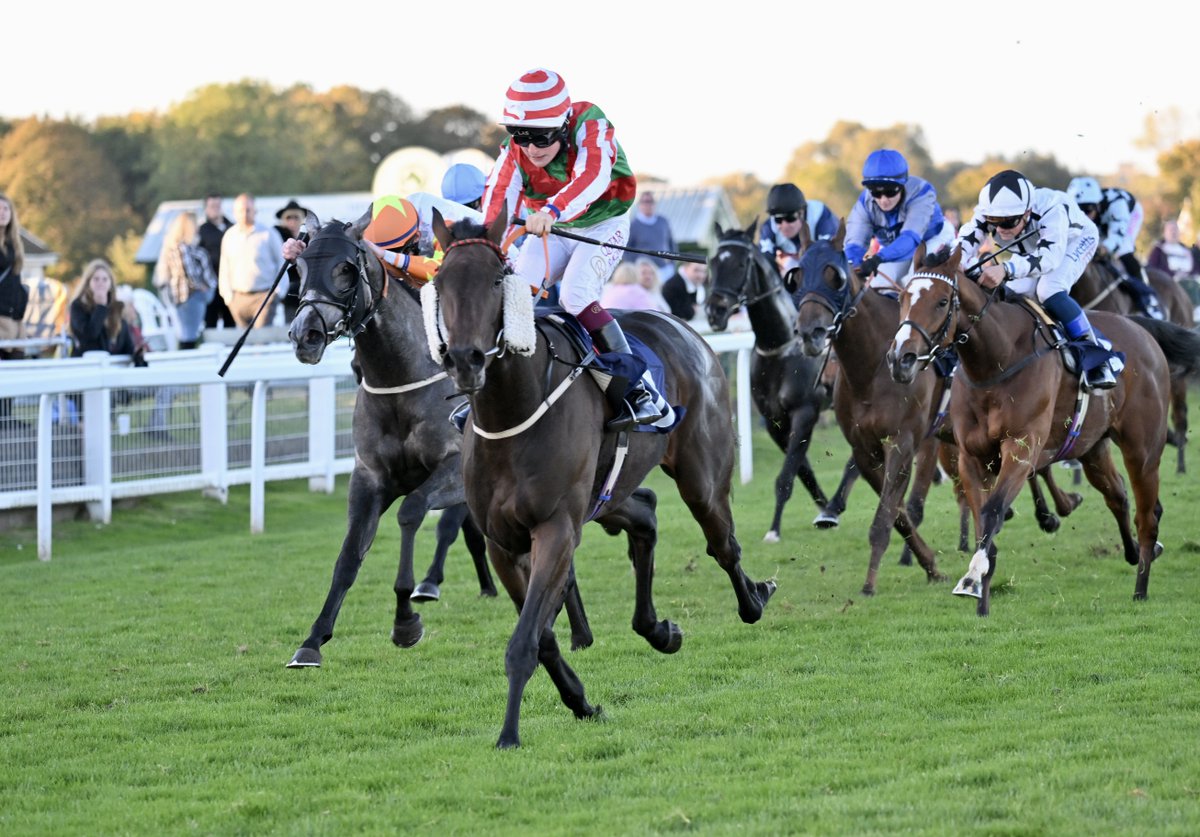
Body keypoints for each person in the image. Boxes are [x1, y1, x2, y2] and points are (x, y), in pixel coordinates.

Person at [480, 67, 665, 428]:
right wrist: (485, 247)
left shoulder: (592, 125)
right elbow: (496, 201)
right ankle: (492, 391)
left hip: (602, 223)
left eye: (541, 137)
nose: (531, 149)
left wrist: (551, 209)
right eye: (520, 136)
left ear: (564, 125)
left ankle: (638, 390)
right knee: (515, 294)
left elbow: (592, 177)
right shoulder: (514, 152)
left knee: (575, 296)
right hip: (553, 228)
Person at [956, 169, 1120, 391]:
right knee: (1010, 294)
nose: (1002, 229)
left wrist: (1006, 268)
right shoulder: (989, 209)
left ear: (1027, 211)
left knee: (1048, 290)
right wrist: (956, 261)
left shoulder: (1053, 210)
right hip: (1034, 246)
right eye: (995, 221)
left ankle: (1098, 357)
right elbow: (967, 239)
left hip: (1074, 240)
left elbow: (1049, 258)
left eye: (1009, 222)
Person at [845, 149, 955, 291]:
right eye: (876, 192)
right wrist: (854, 265)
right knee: (875, 286)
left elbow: (910, 239)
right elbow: (854, 244)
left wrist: (879, 258)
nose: (883, 200)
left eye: (890, 191)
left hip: (932, 239)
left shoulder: (922, 193)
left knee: (915, 283)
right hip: (894, 248)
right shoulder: (864, 203)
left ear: (903, 184)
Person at [1067, 176, 1164, 319]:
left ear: (1097, 205)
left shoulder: (1117, 205)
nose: (1084, 216)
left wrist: (1104, 249)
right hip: (1104, 220)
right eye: (1079, 210)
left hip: (1131, 215)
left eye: (1087, 210)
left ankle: (1148, 299)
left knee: (1123, 250)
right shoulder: (1078, 210)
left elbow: (1116, 238)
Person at [218, 193, 286, 329]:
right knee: (245, 343)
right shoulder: (230, 236)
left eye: (248, 209)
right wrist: (228, 297)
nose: (244, 213)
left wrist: (278, 293)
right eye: (241, 210)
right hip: (238, 299)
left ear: (255, 211)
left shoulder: (268, 234)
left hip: (264, 296)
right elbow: (225, 268)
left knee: (261, 340)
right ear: (234, 212)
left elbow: (282, 263)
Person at [153, 211, 217, 349]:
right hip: (189, 297)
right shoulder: (181, 248)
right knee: (189, 336)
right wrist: (201, 286)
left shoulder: (176, 248)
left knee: (188, 335)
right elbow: (189, 272)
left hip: (186, 297)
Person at [757, 183, 838, 279]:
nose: (784, 225)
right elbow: (763, 261)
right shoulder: (769, 227)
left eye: (790, 218)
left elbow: (828, 255)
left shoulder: (820, 216)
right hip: (795, 261)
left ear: (801, 213)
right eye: (778, 219)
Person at [198, 194, 235, 328]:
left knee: (230, 322)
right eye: (212, 206)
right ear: (206, 208)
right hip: (212, 284)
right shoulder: (202, 231)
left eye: (218, 206)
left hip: (232, 283)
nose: (215, 209)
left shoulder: (233, 227)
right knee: (210, 323)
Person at [0, 192, 29, 362]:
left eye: (6, 209)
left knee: (18, 366)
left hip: (16, 316)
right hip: (1, 316)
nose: (3, 212)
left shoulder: (15, 244)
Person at [623, 191, 677, 281]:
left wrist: (672, 264)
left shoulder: (663, 221)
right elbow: (626, 250)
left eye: (651, 201)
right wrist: (635, 266)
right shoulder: (633, 225)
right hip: (643, 273)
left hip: (664, 270)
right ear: (639, 204)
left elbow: (671, 243)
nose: (648, 205)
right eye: (645, 201)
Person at [273, 199, 310, 323]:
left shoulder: (310, 238)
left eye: (296, 217)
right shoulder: (276, 236)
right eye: (289, 217)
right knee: (290, 325)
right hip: (287, 291)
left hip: (308, 291)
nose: (292, 221)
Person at [1148, 219, 1200, 306]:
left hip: (1190, 285)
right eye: (1170, 229)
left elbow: (1195, 268)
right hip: (1168, 286)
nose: (1173, 232)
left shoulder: (1186, 251)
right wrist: (1173, 275)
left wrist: (1187, 275)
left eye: (1175, 229)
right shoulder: (1159, 249)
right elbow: (1152, 269)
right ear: (1164, 232)